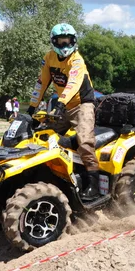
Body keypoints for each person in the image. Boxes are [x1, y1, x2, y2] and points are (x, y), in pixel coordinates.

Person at [27, 23, 100, 201]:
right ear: (54, 41)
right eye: (60, 41)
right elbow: (41, 83)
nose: (64, 45)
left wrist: (60, 102)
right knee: (43, 134)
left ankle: (94, 183)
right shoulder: (49, 57)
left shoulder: (77, 60)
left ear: (73, 41)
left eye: (67, 41)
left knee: (84, 140)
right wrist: (31, 108)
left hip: (82, 104)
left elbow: (73, 84)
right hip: (63, 105)